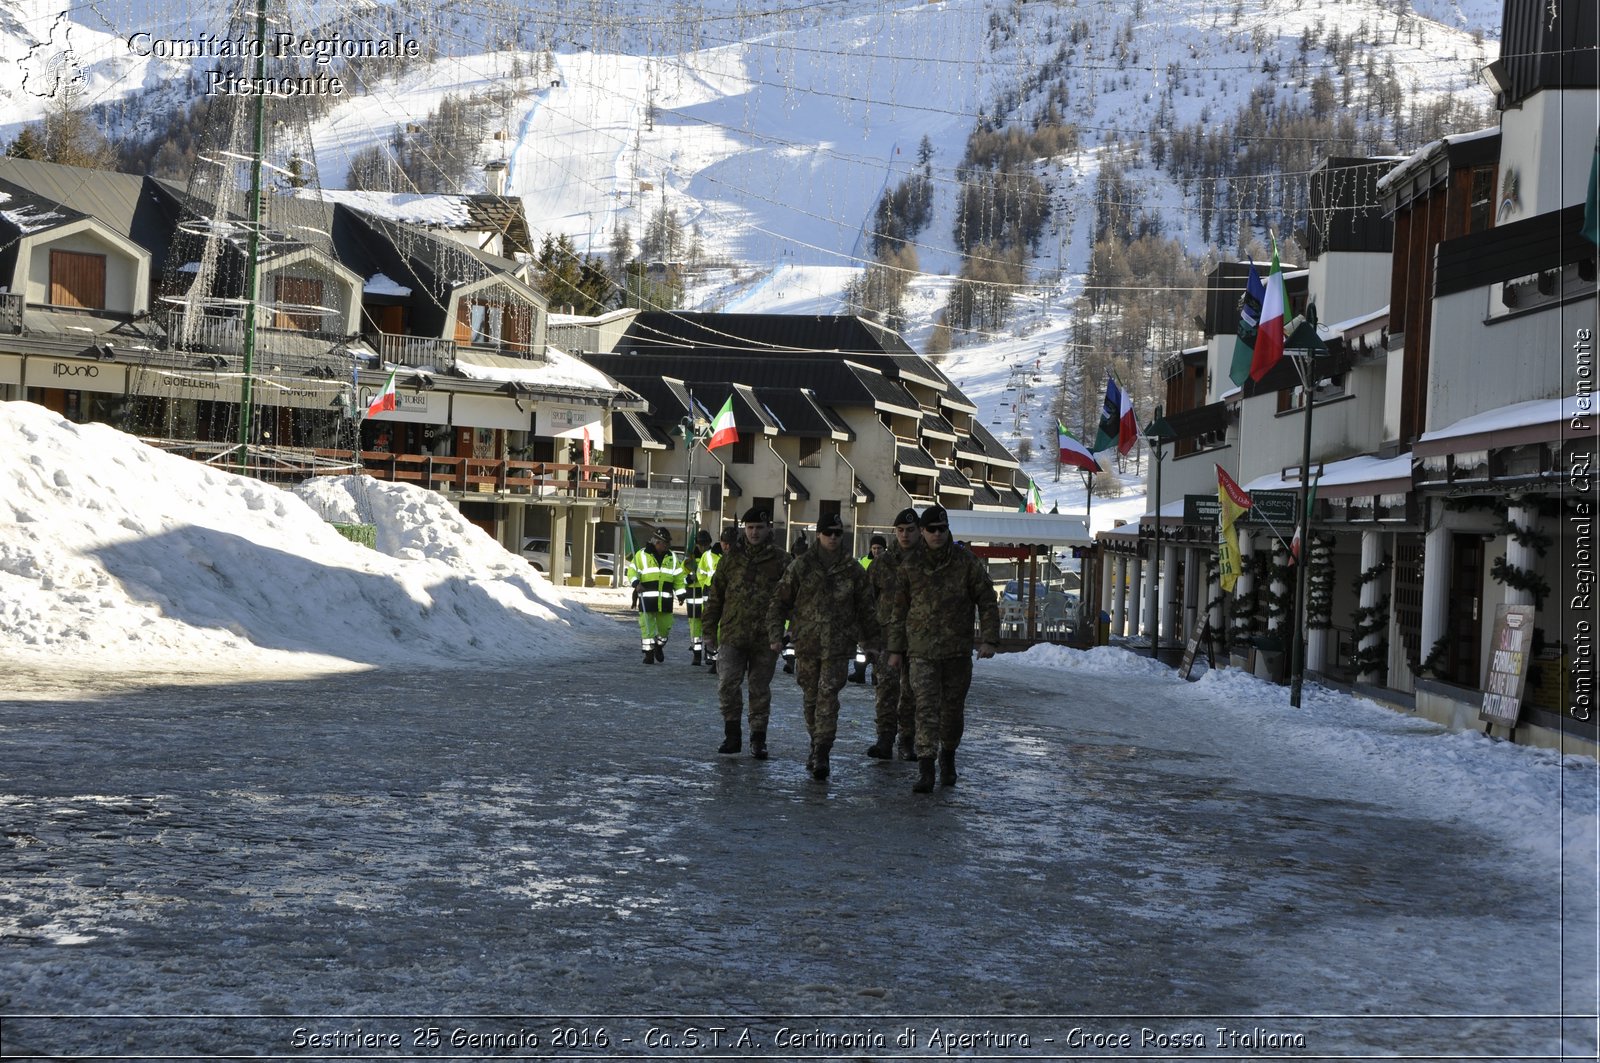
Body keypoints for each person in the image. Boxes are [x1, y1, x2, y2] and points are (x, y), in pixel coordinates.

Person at [886, 505, 1000, 794]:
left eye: (942, 529)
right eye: (932, 529)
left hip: (957, 652)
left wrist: (989, 639)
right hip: (921, 652)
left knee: (952, 712)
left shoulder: (966, 563)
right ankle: (926, 767)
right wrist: (896, 650)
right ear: (922, 532)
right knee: (925, 708)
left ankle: (947, 757)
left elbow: (987, 600)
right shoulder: (910, 566)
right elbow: (899, 611)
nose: (937, 534)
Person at [767, 512, 877, 782]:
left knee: (828, 699)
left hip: (838, 646)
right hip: (807, 644)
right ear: (819, 534)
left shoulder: (853, 569)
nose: (833, 537)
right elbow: (779, 601)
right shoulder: (801, 566)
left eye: (838, 533)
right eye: (828, 532)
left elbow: (866, 610)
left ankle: (822, 752)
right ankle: (815, 744)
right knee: (810, 698)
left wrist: (872, 641)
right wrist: (775, 633)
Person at [703, 507, 788, 758]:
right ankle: (732, 736)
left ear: (768, 529)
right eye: (750, 528)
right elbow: (715, 595)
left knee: (759, 688)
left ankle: (758, 739)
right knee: (727, 685)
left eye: (759, 528)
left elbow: (793, 597)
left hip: (766, 638)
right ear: (744, 529)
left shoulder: (782, 560)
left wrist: (791, 629)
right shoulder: (731, 559)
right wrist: (708, 629)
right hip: (732, 634)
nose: (754, 532)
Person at [865, 509, 922, 760]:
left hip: (919, 639)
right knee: (886, 691)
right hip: (887, 638)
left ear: (919, 531)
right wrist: (869, 638)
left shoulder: (927, 561)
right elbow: (868, 600)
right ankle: (884, 739)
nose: (905, 535)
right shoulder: (882, 563)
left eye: (910, 530)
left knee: (911, 693)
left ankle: (907, 740)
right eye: (900, 530)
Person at [627, 526, 684, 665]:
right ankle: (648, 654)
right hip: (647, 600)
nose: (667, 546)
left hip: (665, 601)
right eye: (665, 543)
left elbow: (678, 577)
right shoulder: (641, 555)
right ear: (657, 542)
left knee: (665, 629)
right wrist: (636, 584)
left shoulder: (672, 557)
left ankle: (659, 646)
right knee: (647, 628)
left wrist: (681, 593)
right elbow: (632, 572)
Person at [849, 534, 888, 683]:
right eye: (874, 548)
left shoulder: (889, 564)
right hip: (868, 609)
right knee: (862, 644)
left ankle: (876, 674)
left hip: (882, 609)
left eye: (879, 548)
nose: (876, 551)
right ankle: (860, 672)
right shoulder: (863, 562)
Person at [704, 528, 737, 675]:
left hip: (735, 606)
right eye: (725, 543)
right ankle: (716, 661)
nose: (727, 547)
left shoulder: (741, 559)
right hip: (718, 601)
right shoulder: (713, 557)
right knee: (718, 633)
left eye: (730, 544)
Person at [682, 529, 715, 666]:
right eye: (700, 544)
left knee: (709, 625)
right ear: (696, 544)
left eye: (705, 544)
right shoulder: (689, 560)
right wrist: (690, 578)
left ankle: (709, 653)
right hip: (694, 595)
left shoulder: (713, 557)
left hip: (708, 595)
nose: (703, 547)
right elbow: (681, 579)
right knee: (695, 627)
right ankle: (696, 655)